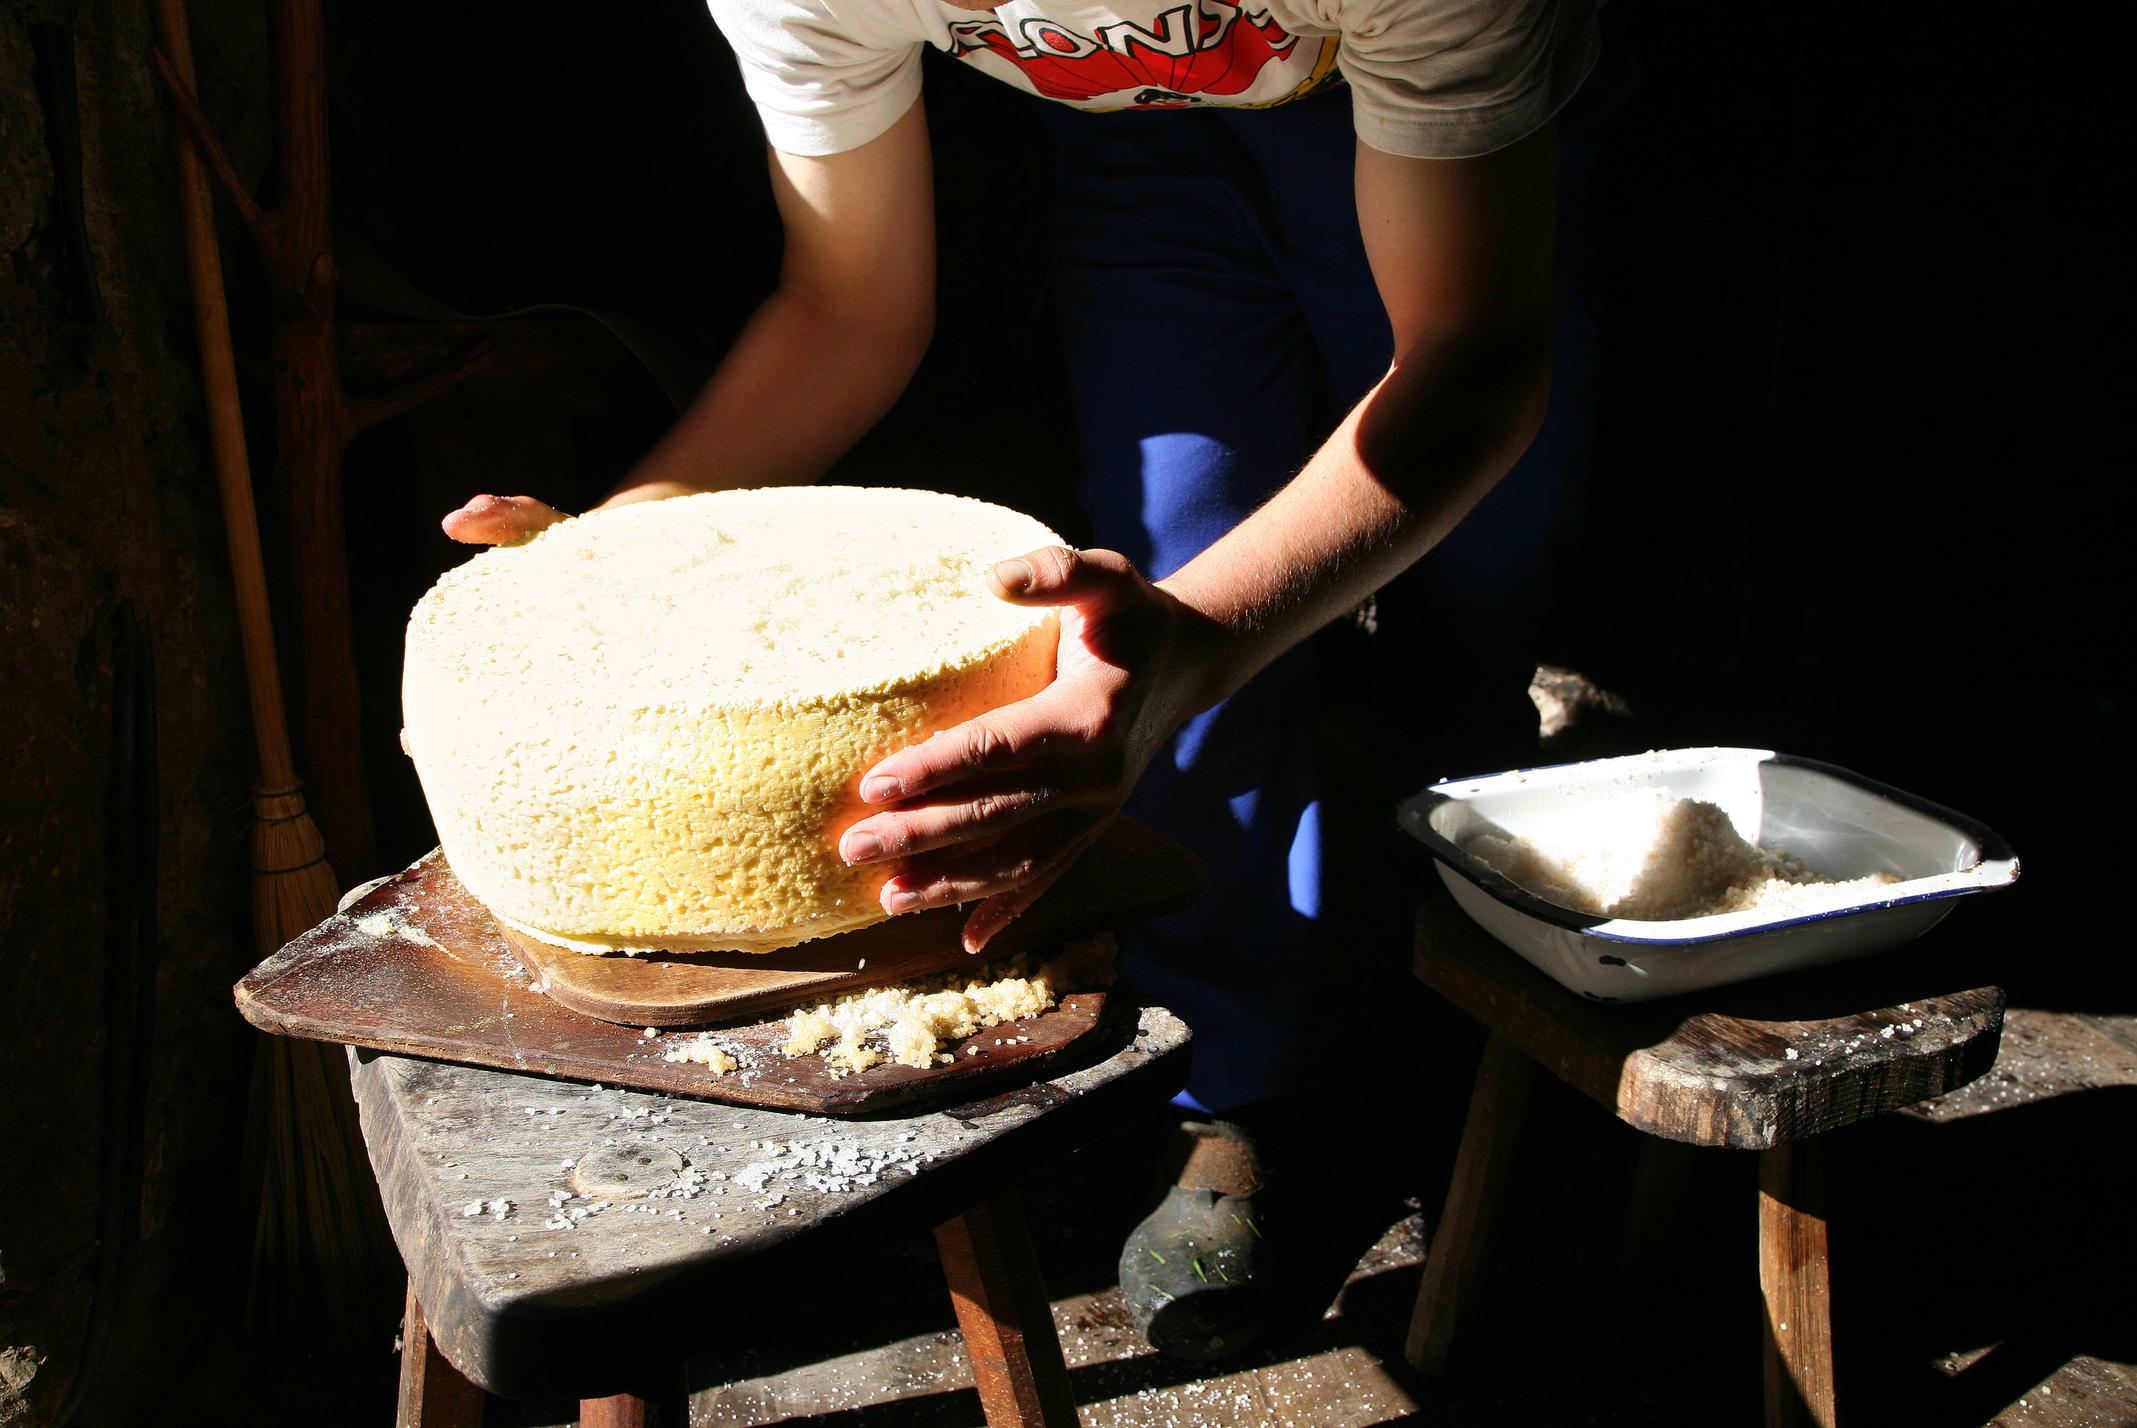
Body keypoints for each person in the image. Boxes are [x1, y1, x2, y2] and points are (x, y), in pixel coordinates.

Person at [446, 0, 1604, 1354]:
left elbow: (1468, 356)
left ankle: (1469, 1058)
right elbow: (845, 304)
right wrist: (618, 540)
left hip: (1439, 120)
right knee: (1168, 590)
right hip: (1140, 155)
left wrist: (1209, 637)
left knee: (1475, 585)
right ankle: (1231, 1093)